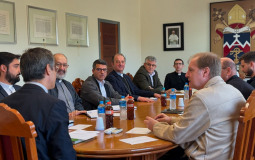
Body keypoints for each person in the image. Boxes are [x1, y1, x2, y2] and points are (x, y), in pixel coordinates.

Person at [144, 52, 245, 160]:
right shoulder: (234, 91)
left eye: (191, 70)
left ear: (205, 71)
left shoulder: (202, 97)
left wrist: (155, 126)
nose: (186, 74)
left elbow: (177, 135)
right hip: (226, 154)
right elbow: (201, 121)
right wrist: (171, 120)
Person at [1, 47, 76, 160]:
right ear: (47, 69)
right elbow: (65, 155)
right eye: (54, 68)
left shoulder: (3, 104)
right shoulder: (54, 105)